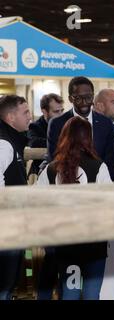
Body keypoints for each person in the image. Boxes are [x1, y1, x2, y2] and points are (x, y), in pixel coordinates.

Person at [37, 117, 111, 299]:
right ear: (88, 138)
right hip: (95, 243)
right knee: (92, 295)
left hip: (66, 244)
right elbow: (110, 204)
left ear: (64, 137)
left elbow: (37, 202)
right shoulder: (99, 166)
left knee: (70, 294)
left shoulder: (50, 169)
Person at [47, 76, 114, 180]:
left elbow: (110, 161)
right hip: (66, 183)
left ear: (93, 97)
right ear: (70, 98)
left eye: (88, 97)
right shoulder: (57, 124)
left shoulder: (106, 123)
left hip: (100, 184)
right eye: (78, 98)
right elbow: (54, 158)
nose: (84, 102)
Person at [0, 95, 32, 300]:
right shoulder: (4, 143)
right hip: (6, 225)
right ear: (11, 117)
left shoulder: (10, 139)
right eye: (26, 112)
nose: (30, 117)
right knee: (5, 282)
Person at [27, 93, 64, 177]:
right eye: (56, 111)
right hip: (40, 174)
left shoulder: (66, 123)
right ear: (44, 112)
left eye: (62, 110)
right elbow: (34, 142)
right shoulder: (35, 126)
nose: (61, 114)